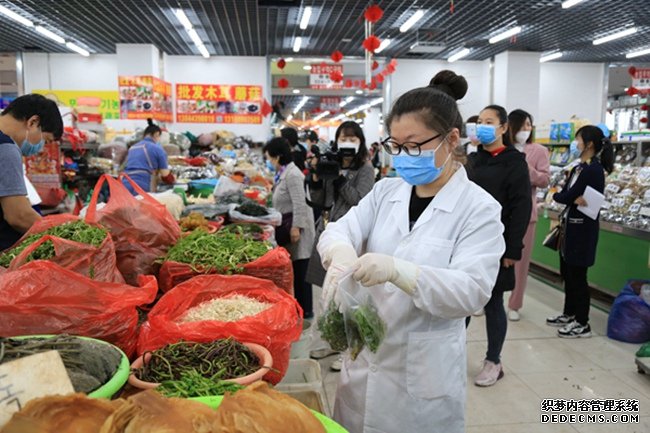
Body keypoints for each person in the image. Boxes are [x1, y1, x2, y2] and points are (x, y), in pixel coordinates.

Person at [317, 70, 505, 433]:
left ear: (451, 140)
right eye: (396, 146)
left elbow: (471, 291)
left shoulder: (478, 209)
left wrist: (399, 272)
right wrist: (340, 251)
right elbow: (341, 228)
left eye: (414, 146)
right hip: (362, 367)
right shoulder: (388, 192)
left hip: (421, 378)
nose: (403, 156)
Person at [466, 104, 532, 387]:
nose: (483, 125)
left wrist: (512, 248)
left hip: (497, 244)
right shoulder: (474, 159)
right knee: (462, 300)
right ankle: (450, 353)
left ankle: (494, 360)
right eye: (480, 121)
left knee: (493, 302)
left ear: (504, 127)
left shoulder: (514, 161)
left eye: (489, 121)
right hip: (468, 241)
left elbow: (521, 206)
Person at [305, 121, 375, 370]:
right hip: (327, 233)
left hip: (351, 239)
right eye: (343, 137)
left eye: (352, 138)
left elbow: (360, 201)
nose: (347, 142)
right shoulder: (329, 162)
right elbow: (318, 201)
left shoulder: (365, 169)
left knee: (347, 295)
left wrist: (339, 181)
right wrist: (315, 179)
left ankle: (347, 349)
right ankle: (329, 339)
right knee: (327, 293)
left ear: (360, 141)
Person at [546, 125, 613, 338]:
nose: (576, 144)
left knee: (578, 275)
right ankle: (569, 313)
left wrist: (562, 196)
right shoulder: (578, 168)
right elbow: (566, 193)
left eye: (578, 140)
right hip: (569, 226)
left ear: (589, 144)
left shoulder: (594, 170)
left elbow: (568, 195)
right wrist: (563, 196)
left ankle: (582, 322)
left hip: (583, 229)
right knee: (567, 272)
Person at [0, 94, 63, 251]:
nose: (41, 148)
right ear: (33, 122)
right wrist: (62, 236)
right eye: (45, 140)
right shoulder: (6, 148)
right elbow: (19, 216)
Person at [264, 137, 316, 318]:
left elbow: (300, 203)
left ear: (277, 157)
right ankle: (299, 309)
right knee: (296, 270)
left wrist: (296, 228)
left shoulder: (293, 175)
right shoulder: (284, 172)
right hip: (288, 225)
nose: (269, 163)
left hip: (297, 228)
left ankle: (306, 312)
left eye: (269, 159)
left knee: (302, 271)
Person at [507, 109, 550, 321]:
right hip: (501, 212)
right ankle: (488, 300)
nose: (527, 129)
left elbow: (544, 180)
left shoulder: (539, 151)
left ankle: (515, 304)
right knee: (492, 258)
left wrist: (527, 169)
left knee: (521, 263)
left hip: (526, 213)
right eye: (523, 125)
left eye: (529, 125)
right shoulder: (503, 149)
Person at [122, 119, 174, 195]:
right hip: (142, 184)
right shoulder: (158, 149)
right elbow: (165, 175)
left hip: (125, 183)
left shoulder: (132, 148)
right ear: (157, 134)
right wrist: (173, 179)